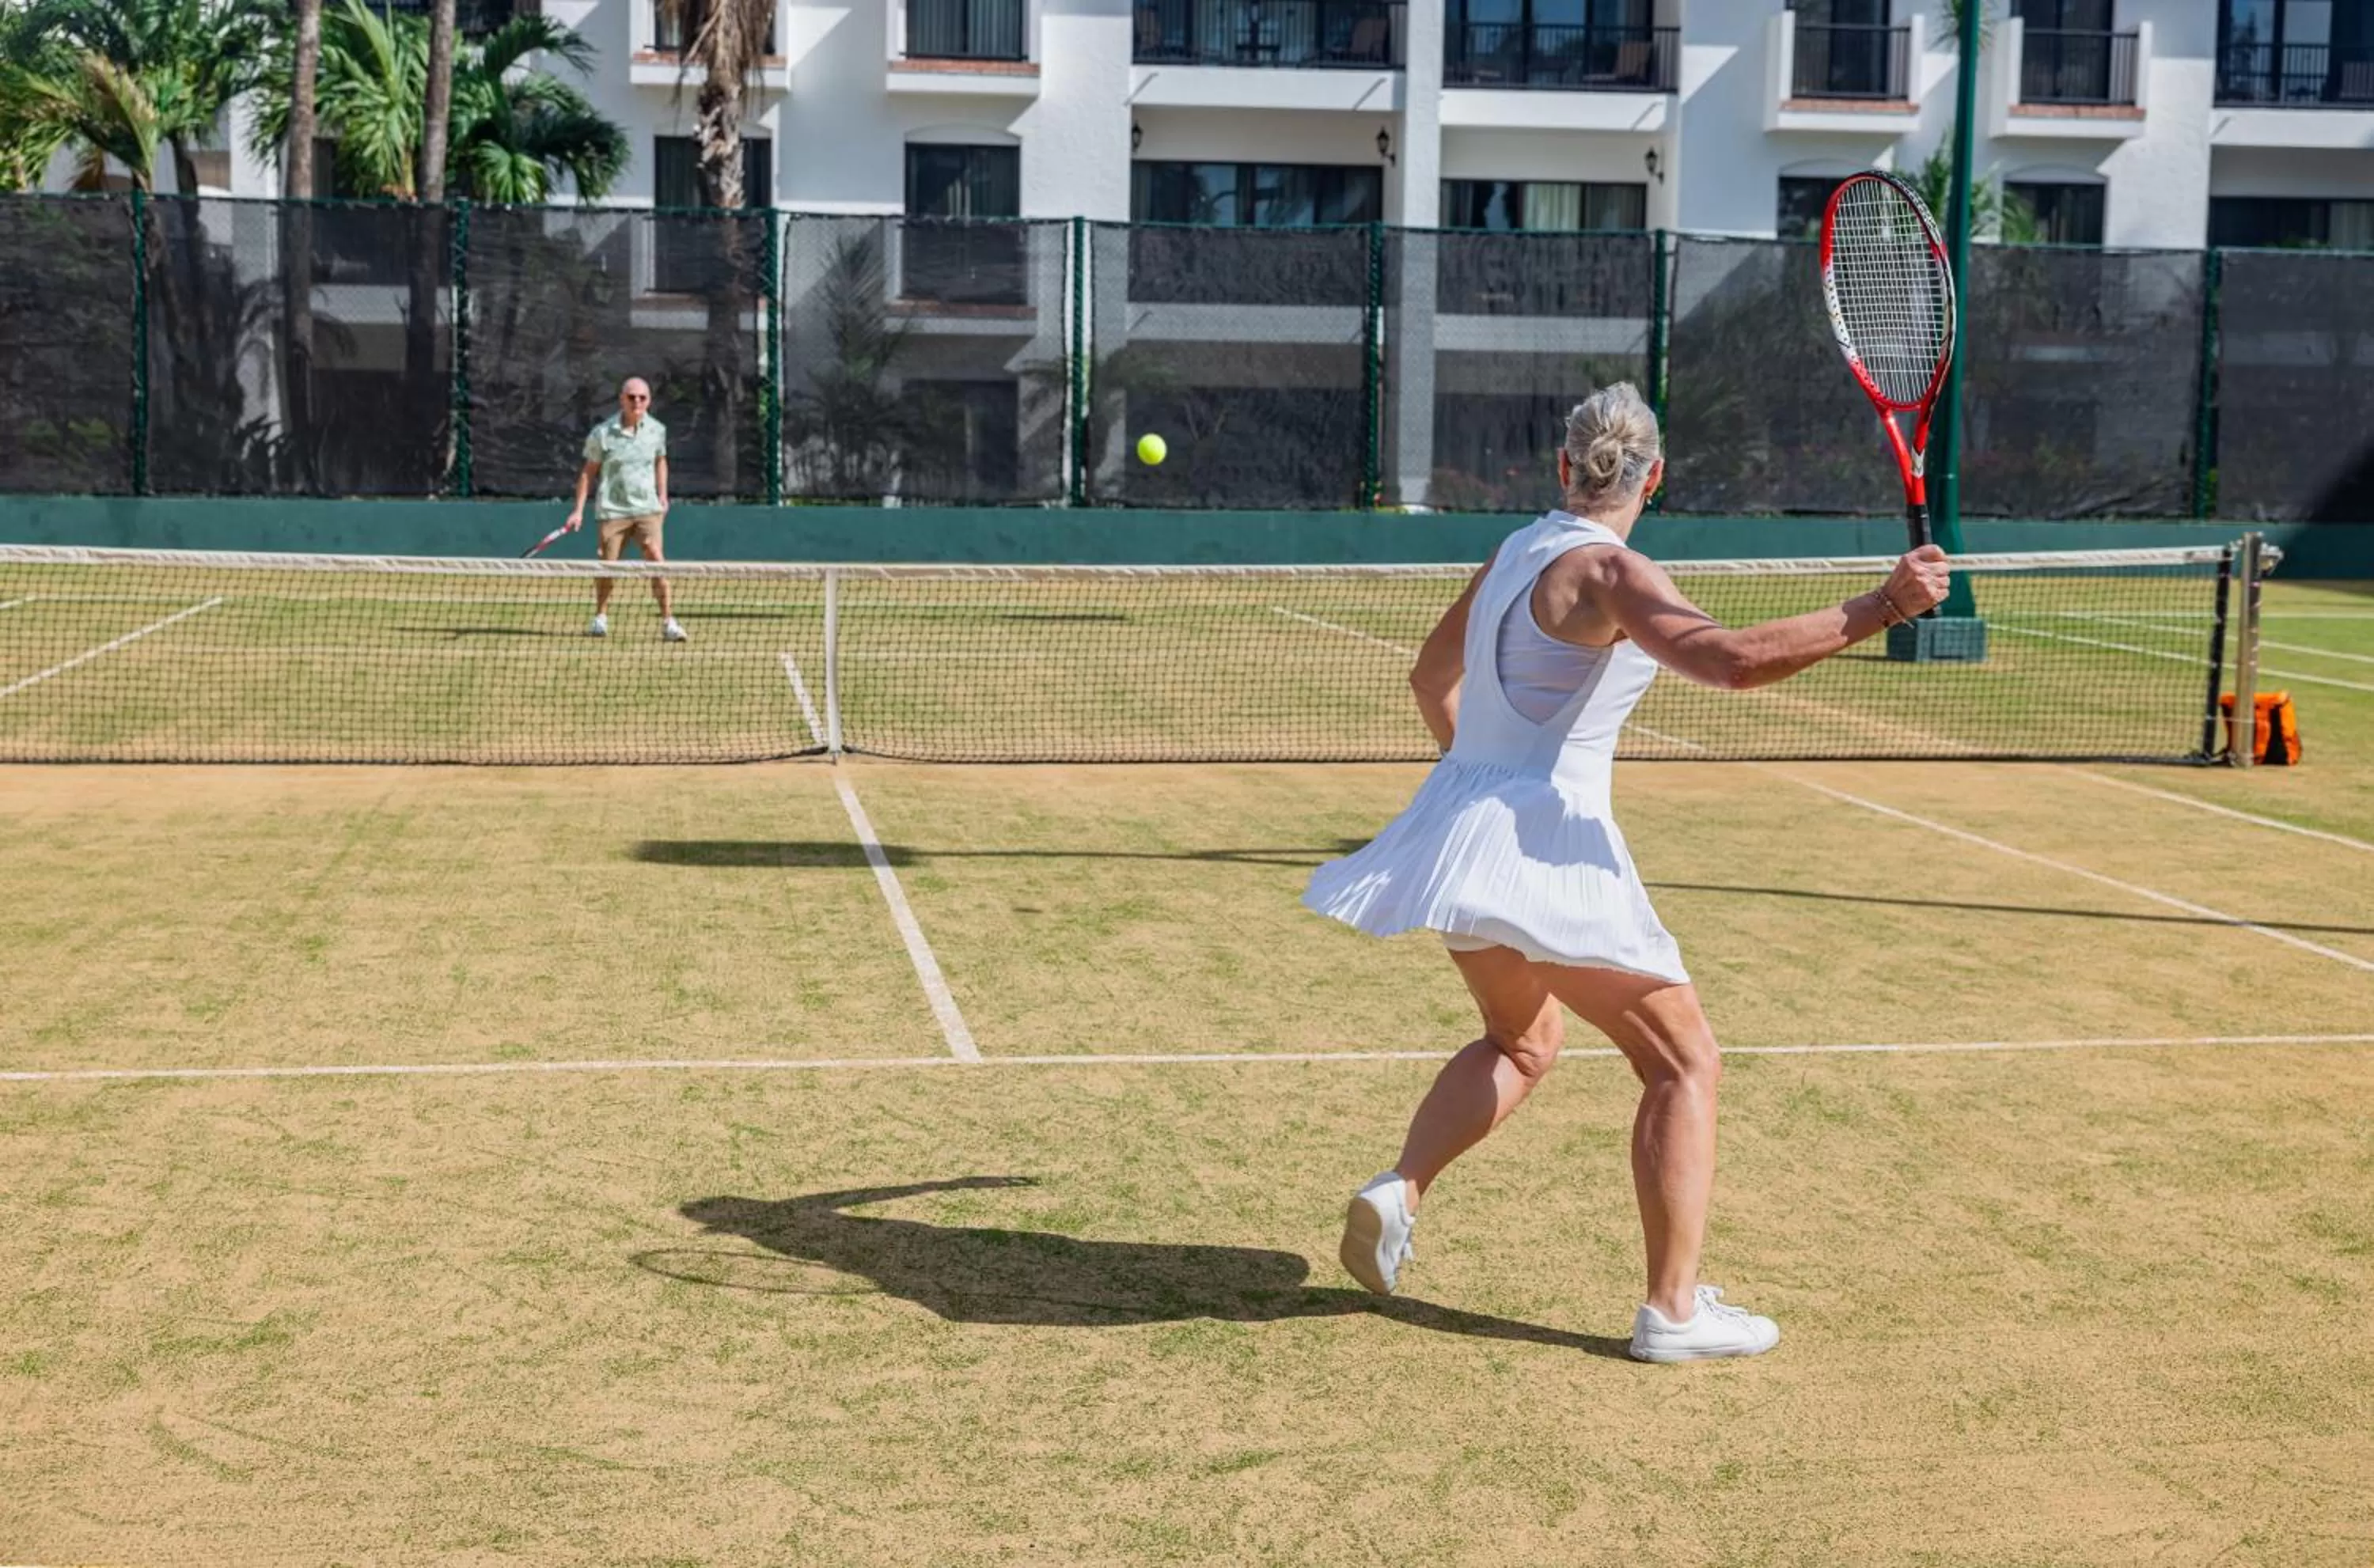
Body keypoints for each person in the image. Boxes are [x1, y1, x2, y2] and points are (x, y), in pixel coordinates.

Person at [1303, 383, 1951, 1363]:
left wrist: (1478, 783)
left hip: (1459, 833)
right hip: (1543, 850)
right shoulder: (1611, 569)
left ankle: (1400, 1188)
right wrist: (1884, 605)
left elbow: (1432, 680)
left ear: (1564, 467)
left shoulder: (1517, 550)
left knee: (1522, 1044)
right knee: (1683, 1063)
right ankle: (1673, 1311)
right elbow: (1729, 661)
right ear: (1655, 476)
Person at [565, 377, 687, 642]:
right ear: (622, 399)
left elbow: (660, 461)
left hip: (647, 509)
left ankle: (668, 622)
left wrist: (663, 495)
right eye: (631, 397)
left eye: (642, 397)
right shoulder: (602, 433)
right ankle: (600, 617)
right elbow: (588, 474)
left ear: (649, 400)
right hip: (612, 510)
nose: (637, 402)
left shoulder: (657, 430)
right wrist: (578, 510)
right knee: (608, 566)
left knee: (656, 559)